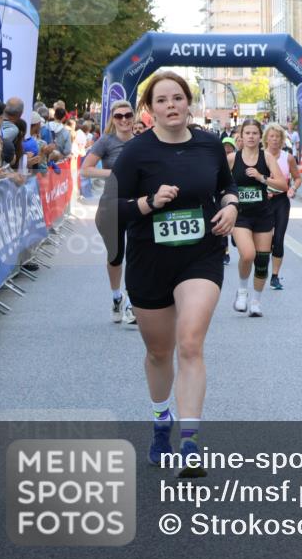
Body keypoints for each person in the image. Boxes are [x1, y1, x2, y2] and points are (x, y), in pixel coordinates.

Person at [107, 71, 239, 477]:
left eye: (177, 98)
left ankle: (190, 443)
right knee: (159, 352)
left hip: (201, 256)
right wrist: (149, 202)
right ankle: (161, 420)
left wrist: (231, 207)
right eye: (162, 100)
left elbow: (227, 186)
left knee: (190, 343)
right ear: (150, 109)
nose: (171, 106)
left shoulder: (209, 143)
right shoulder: (136, 152)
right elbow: (110, 210)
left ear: (188, 103)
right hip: (150, 262)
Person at [83, 99, 140, 324]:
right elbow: (86, 169)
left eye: (128, 115)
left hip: (137, 204)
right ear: (113, 119)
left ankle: (132, 303)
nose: (124, 120)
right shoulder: (106, 141)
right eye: (119, 116)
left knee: (137, 254)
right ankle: (117, 297)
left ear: (133, 117)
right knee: (116, 256)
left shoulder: (141, 141)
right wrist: (114, 174)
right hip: (111, 204)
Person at [228, 119, 288, 317]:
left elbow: (283, 185)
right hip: (241, 215)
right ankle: (242, 292)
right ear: (241, 136)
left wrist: (262, 178)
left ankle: (255, 302)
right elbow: (220, 183)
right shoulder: (232, 159)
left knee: (262, 261)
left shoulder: (267, 157)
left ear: (259, 136)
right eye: (247, 133)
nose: (251, 137)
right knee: (248, 254)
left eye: (255, 133)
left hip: (263, 214)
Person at [263, 123, 302, 290]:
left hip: (281, 201)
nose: (274, 140)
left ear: (282, 140)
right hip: (263, 202)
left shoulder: (288, 158)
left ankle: (275, 276)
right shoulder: (259, 156)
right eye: (271, 136)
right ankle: (261, 269)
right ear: (266, 139)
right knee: (264, 241)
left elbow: (298, 177)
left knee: (278, 239)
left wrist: (293, 188)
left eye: (278, 137)